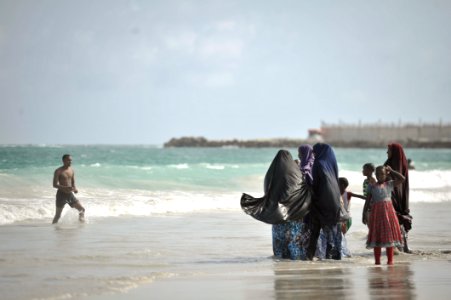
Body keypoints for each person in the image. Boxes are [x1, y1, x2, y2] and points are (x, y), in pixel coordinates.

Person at [240, 149, 312, 259]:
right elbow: (303, 192)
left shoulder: (270, 175)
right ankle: (295, 266)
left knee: (280, 249)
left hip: (277, 217)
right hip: (295, 216)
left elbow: (268, 193)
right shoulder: (296, 174)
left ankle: (280, 270)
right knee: (294, 246)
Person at [306, 143, 342, 260]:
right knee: (330, 232)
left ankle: (309, 258)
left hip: (321, 203)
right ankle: (332, 258)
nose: (313, 154)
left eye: (314, 151)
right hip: (333, 203)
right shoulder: (332, 166)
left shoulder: (318, 164)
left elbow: (315, 184)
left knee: (315, 231)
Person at [366, 165, 405, 265]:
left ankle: (390, 261)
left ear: (386, 174)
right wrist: (364, 213)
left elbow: (402, 179)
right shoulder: (371, 186)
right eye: (378, 174)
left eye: (382, 174)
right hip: (376, 214)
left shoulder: (389, 184)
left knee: (389, 238)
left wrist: (392, 170)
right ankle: (377, 262)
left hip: (389, 214)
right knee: (377, 237)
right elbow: (367, 200)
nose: (380, 176)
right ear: (375, 174)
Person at [384, 143, 412, 253]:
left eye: (389, 150)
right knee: (394, 219)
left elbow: (402, 181)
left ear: (394, 152)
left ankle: (404, 246)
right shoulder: (389, 164)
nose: (387, 153)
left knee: (400, 218)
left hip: (399, 197)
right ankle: (397, 245)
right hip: (390, 196)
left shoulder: (399, 164)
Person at [52, 154, 85, 224]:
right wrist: (65, 187)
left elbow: (73, 183)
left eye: (71, 160)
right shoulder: (58, 171)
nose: (70, 162)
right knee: (58, 215)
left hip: (70, 195)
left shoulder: (72, 170)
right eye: (68, 160)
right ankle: (53, 230)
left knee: (82, 210)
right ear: (63, 161)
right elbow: (54, 185)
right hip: (61, 195)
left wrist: (75, 189)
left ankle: (81, 226)